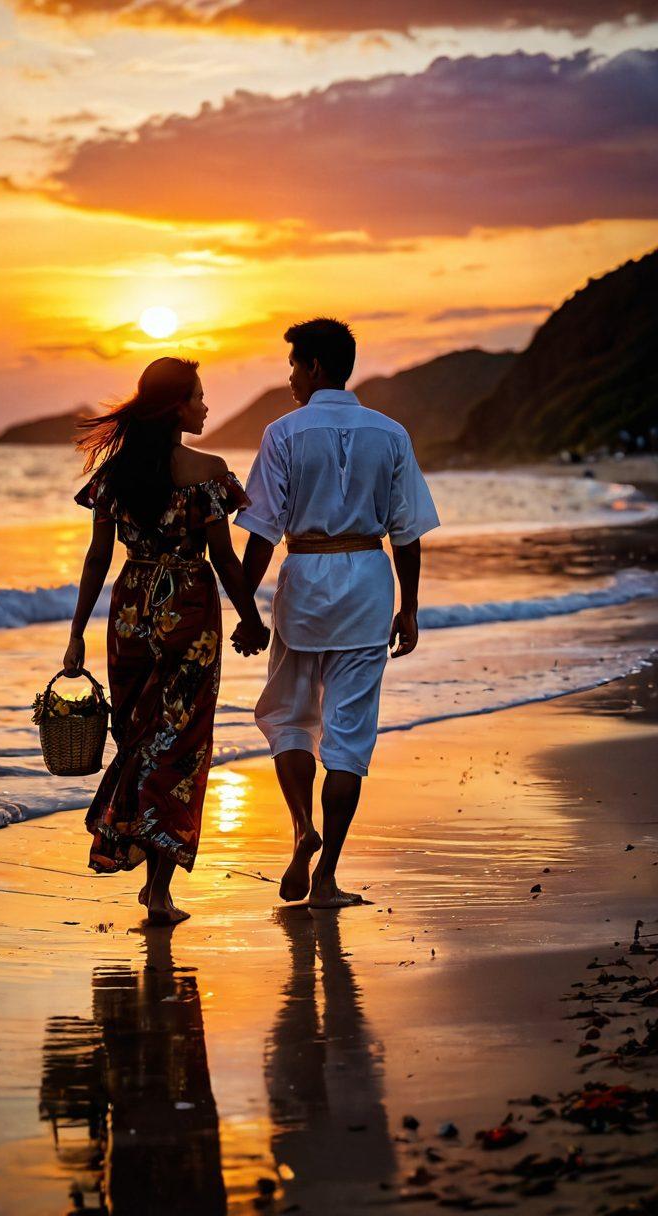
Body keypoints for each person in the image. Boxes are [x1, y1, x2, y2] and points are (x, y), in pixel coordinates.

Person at [234, 318, 439, 908]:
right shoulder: (390, 433)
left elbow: (261, 532)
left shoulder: (283, 433)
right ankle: (326, 880)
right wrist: (410, 608)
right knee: (348, 737)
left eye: (295, 364)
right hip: (368, 586)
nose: (291, 376)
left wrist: (247, 610)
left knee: (288, 716)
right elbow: (407, 531)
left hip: (304, 583)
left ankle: (302, 827)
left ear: (316, 366)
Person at [64, 357, 269, 925]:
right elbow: (224, 559)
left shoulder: (116, 475)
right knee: (178, 746)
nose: (206, 406)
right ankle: (157, 887)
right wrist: (250, 618)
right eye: (199, 397)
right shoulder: (207, 471)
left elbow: (98, 560)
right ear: (176, 406)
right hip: (189, 614)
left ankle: (130, 847)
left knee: (137, 738)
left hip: (130, 614)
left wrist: (77, 632)